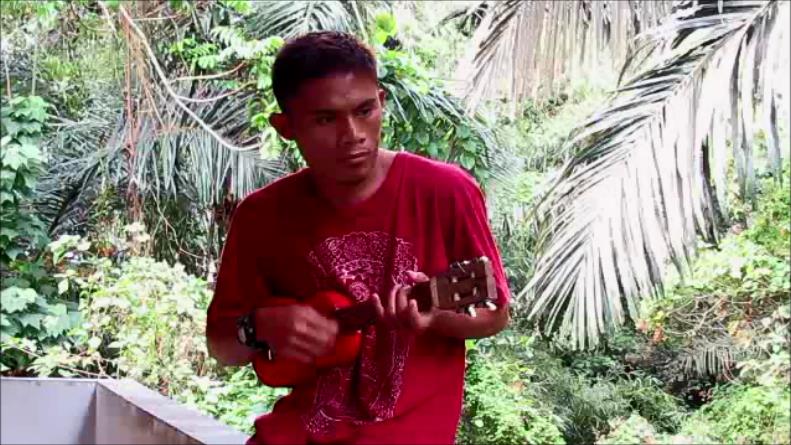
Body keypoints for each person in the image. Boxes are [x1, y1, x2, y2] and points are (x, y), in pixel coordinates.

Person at [206, 31, 510, 445]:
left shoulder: (447, 192)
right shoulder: (261, 215)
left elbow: (495, 313)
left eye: (365, 110)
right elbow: (222, 347)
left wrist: (435, 317)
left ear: (381, 101)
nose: (353, 134)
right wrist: (258, 327)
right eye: (325, 119)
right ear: (286, 127)